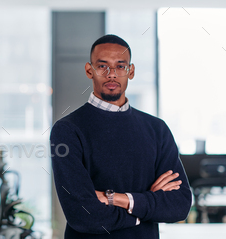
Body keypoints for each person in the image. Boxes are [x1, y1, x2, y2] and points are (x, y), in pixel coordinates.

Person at [50, 34, 192, 239]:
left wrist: (116, 199)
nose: (111, 74)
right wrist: (146, 207)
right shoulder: (67, 130)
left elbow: (179, 205)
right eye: (102, 66)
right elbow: (83, 215)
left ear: (130, 71)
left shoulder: (156, 129)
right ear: (89, 70)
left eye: (120, 66)